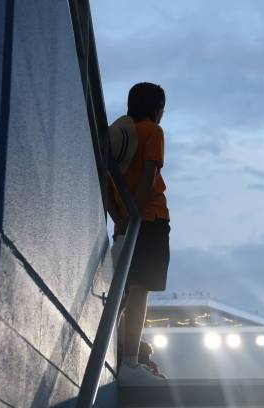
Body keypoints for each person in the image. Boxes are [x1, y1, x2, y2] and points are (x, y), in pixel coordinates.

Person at [108, 82, 170, 383]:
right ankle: (131, 362)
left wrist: (119, 218)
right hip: (149, 218)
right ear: (156, 108)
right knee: (139, 290)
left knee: (121, 291)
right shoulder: (152, 132)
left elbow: (108, 184)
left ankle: (112, 348)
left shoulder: (118, 134)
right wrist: (135, 213)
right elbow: (150, 174)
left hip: (125, 222)